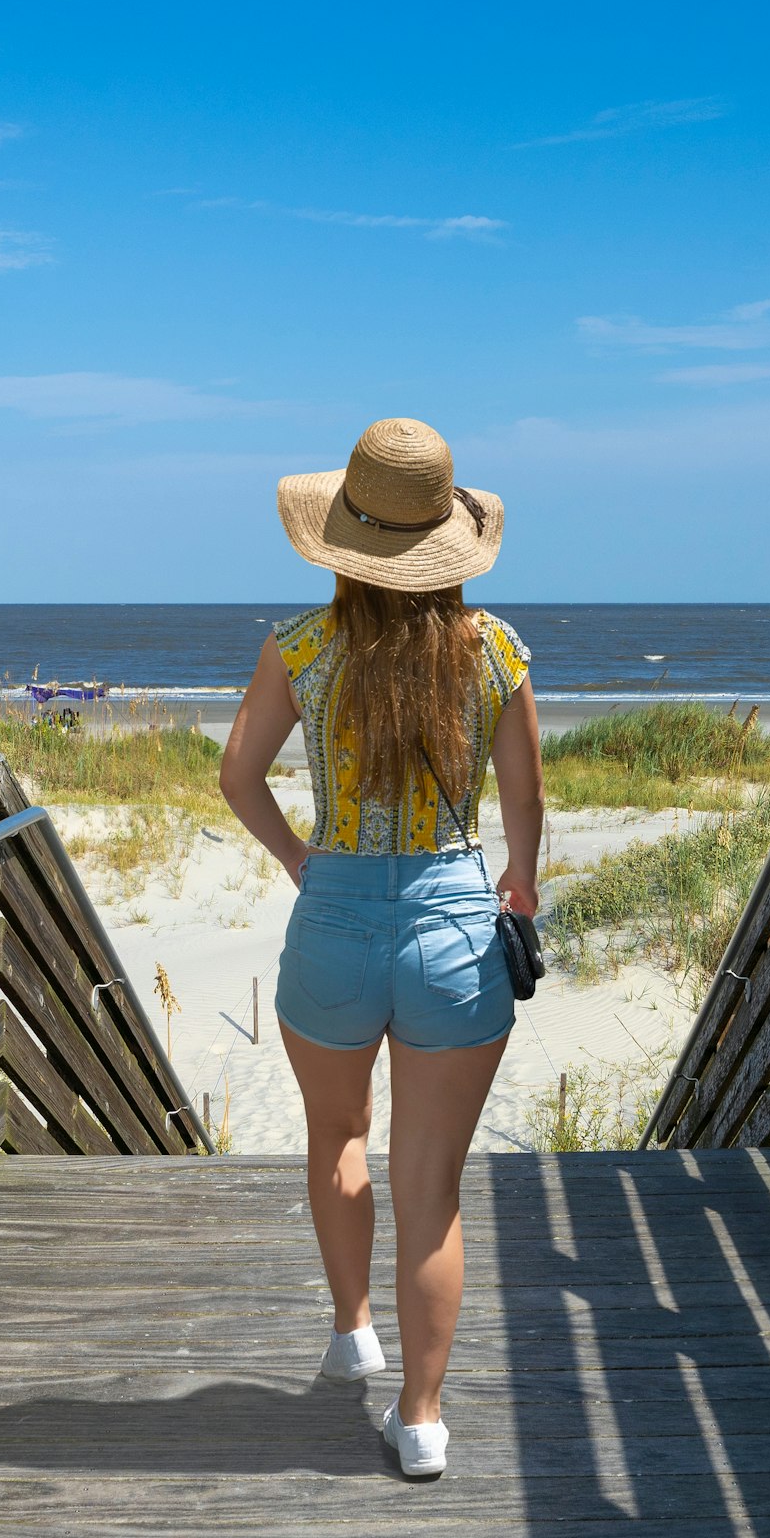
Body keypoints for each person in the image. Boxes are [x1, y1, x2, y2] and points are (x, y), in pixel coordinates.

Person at [215, 416, 541, 1482]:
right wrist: (517, 883)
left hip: (335, 918)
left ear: (344, 537)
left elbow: (239, 778)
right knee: (433, 1183)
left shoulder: (300, 647)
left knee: (337, 1138)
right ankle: (422, 1416)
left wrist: (308, 862)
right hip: (454, 921)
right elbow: (528, 804)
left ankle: (353, 1324)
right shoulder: (493, 648)